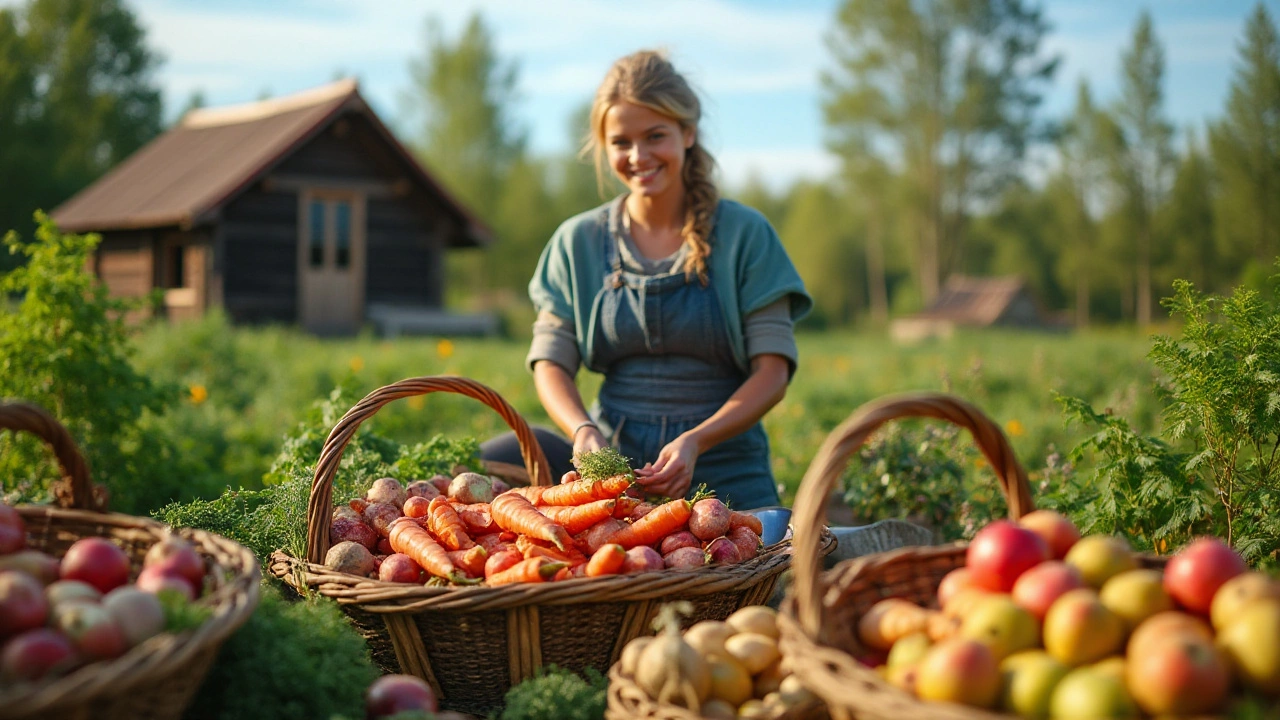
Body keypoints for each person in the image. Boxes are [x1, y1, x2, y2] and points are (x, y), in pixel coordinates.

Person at [482, 50, 811, 509]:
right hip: (613, 469)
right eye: (621, 142)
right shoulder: (578, 241)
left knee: (737, 566)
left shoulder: (745, 235)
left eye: (655, 136)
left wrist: (696, 441)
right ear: (604, 146)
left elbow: (773, 374)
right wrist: (583, 430)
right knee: (488, 460)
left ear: (687, 133)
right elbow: (551, 361)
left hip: (726, 469)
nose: (638, 156)